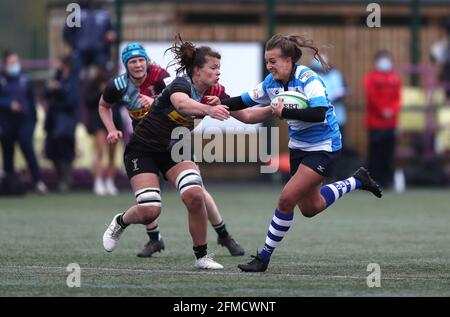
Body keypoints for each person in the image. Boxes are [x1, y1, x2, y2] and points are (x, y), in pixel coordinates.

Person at [101, 36, 271, 269]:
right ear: (197, 71)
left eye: (219, 68)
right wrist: (209, 109)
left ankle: (201, 256)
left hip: (174, 148)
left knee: (195, 195)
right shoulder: (181, 84)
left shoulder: (216, 91)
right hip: (143, 150)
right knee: (150, 211)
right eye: (213, 68)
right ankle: (120, 222)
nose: (218, 72)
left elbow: (249, 116)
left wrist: (275, 108)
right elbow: (182, 104)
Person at [217, 34, 382, 272]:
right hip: (298, 147)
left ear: (289, 60)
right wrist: (215, 102)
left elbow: (318, 114)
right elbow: (242, 102)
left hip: (324, 146)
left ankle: (263, 258)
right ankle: (357, 180)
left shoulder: (308, 78)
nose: (269, 66)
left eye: (273, 61)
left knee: (286, 199)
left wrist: (285, 113)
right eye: (267, 61)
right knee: (310, 207)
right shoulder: (270, 84)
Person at [0, 50, 47, 194]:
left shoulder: (25, 79)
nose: (15, 65)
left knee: (27, 147)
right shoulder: (1, 79)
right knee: (8, 152)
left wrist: (34, 121)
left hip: (25, 121)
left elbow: (31, 102)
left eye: (16, 62)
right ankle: (9, 184)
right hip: (7, 122)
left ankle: (38, 181)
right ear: (5, 64)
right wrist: (9, 104)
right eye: (11, 62)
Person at [363, 50, 402, 189]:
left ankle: (387, 181)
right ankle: (373, 181)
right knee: (375, 154)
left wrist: (391, 110)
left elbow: (398, 98)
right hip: (375, 123)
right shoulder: (371, 78)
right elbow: (372, 97)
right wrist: (382, 110)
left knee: (388, 153)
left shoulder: (395, 78)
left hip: (391, 123)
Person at [83, 66, 123, 195]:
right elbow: (88, 100)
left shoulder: (118, 84)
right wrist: (101, 91)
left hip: (115, 120)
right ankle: (98, 181)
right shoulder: (93, 84)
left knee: (112, 153)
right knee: (100, 151)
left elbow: (122, 101)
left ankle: (110, 181)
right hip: (99, 121)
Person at [44, 56, 80, 192]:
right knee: (51, 150)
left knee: (65, 149)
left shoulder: (73, 79)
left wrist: (59, 89)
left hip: (66, 121)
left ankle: (66, 178)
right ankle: (62, 177)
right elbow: (46, 94)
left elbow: (72, 100)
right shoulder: (56, 77)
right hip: (53, 120)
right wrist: (52, 88)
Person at [63, 0, 116, 71]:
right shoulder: (76, 12)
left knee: (105, 72)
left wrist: (112, 35)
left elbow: (112, 31)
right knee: (76, 71)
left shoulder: (105, 13)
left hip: (100, 52)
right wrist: (77, 46)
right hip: (80, 53)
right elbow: (67, 33)